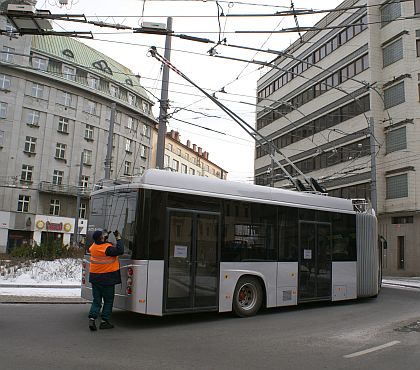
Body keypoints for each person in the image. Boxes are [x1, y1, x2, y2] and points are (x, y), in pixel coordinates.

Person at [88, 229, 124, 331]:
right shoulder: (107, 249)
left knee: (97, 300)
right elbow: (120, 250)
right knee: (108, 300)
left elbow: (100, 242)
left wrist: (105, 236)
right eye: (103, 235)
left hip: (95, 279)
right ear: (101, 238)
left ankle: (92, 318)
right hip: (107, 279)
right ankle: (104, 322)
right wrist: (118, 238)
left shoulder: (93, 247)